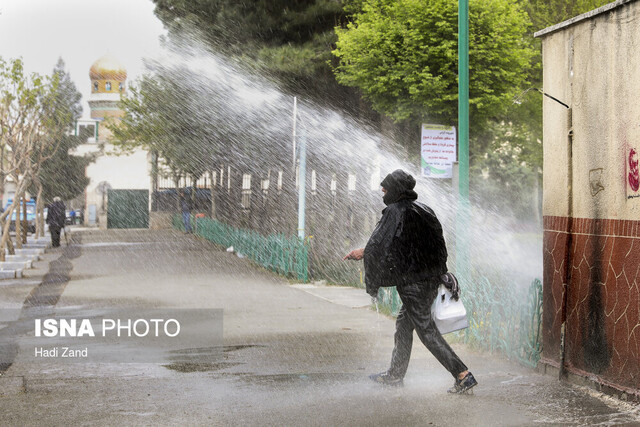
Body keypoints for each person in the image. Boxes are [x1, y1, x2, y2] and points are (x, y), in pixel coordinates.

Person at [343, 169, 477, 394]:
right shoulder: (424, 210)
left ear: (395, 189)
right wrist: (440, 272)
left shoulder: (395, 212)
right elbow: (428, 244)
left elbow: (380, 245)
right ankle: (395, 375)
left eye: (385, 188)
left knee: (426, 331)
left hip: (413, 283)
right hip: (429, 280)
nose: (382, 192)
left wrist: (363, 255)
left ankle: (462, 374)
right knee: (404, 325)